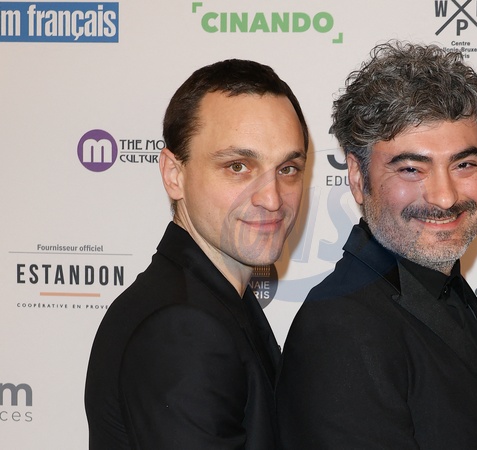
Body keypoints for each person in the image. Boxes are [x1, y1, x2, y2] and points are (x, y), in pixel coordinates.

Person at [276, 41, 477, 449]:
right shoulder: (340, 329)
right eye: (413, 169)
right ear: (358, 178)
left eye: (464, 164)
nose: (445, 197)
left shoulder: (447, 290)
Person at [85, 59, 309, 449]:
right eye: (238, 166)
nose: (272, 198)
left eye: (287, 169)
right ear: (174, 174)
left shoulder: (216, 300)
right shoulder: (183, 328)